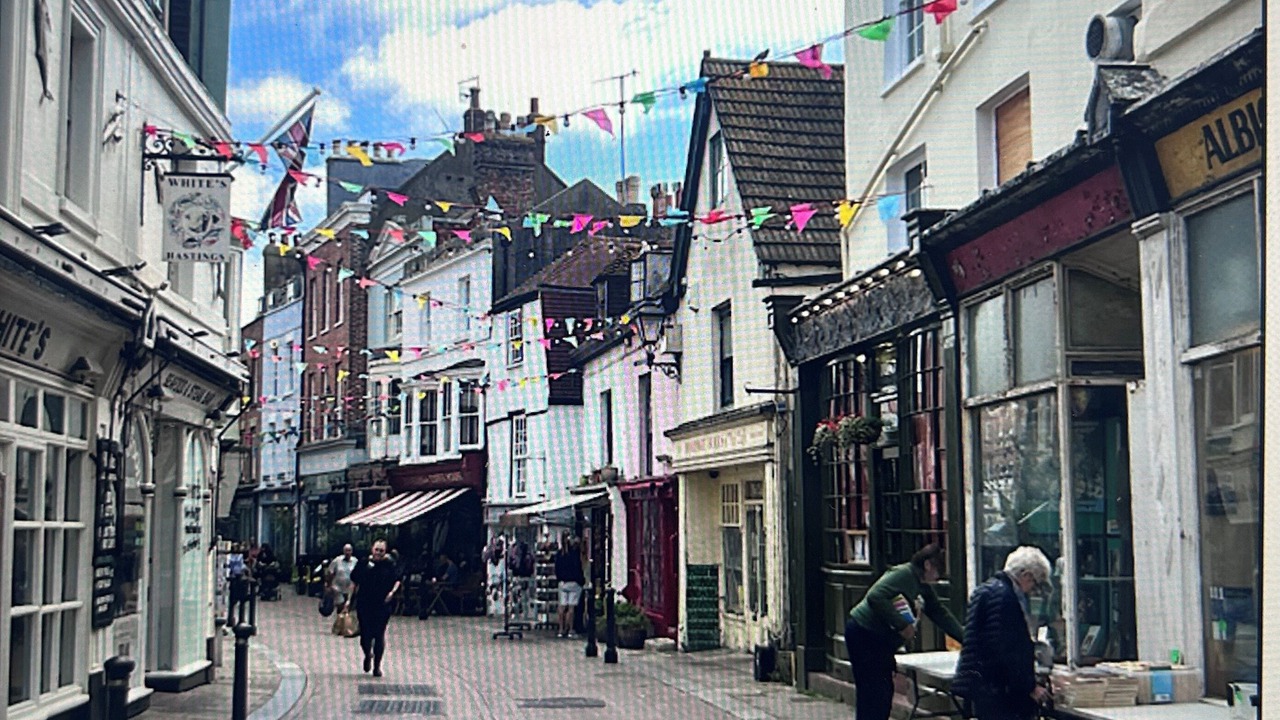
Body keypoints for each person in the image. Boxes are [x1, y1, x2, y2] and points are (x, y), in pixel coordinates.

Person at [844, 543, 965, 720]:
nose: (939, 577)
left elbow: (939, 613)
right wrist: (902, 625)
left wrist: (965, 638)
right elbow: (875, 596)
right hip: (864, 633)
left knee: (883, 693)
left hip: (880, 640)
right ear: (927, 565)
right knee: (873, 692)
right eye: (938, 571)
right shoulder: (903, 574)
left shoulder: (923, 586)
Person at [952, 546, 1054, 720]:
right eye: (1034, 583)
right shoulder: (1006, 598)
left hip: (980, 683)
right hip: (997, 688)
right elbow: (1007, 649)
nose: (1031, 590)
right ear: (1026, 575)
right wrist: (1028, 686)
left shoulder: (984, 590)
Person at [345, 539, 402, 677]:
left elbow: (397, 580)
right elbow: (354, 582)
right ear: (372, 549)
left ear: (385, 552)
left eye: (381, 551)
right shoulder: (363, 563)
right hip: (364, 603)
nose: (378, 553)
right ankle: (367, 654)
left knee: (379, 634)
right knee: (365, 635)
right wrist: (348, 600)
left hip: (382, 604)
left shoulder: (389, 565)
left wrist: (392, 593)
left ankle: (377, 666)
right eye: (377, 550)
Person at [554, 537, 585, 639]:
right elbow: (579, 568)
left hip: (563, 582)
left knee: (562, 606)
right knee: (571, 608)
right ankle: (570, 630)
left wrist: (559, 579)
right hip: (574, 582)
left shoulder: (559, 554)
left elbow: (556, 568)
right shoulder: (575, 554)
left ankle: (561, 629)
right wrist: (581, 581)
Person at [225, 543, 252, 628]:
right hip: (238, 581)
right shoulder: (238, 560)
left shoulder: (233, 558)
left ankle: (236, 619)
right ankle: (238, 619)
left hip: (236, 581)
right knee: (238, 602)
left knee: (235, 602)